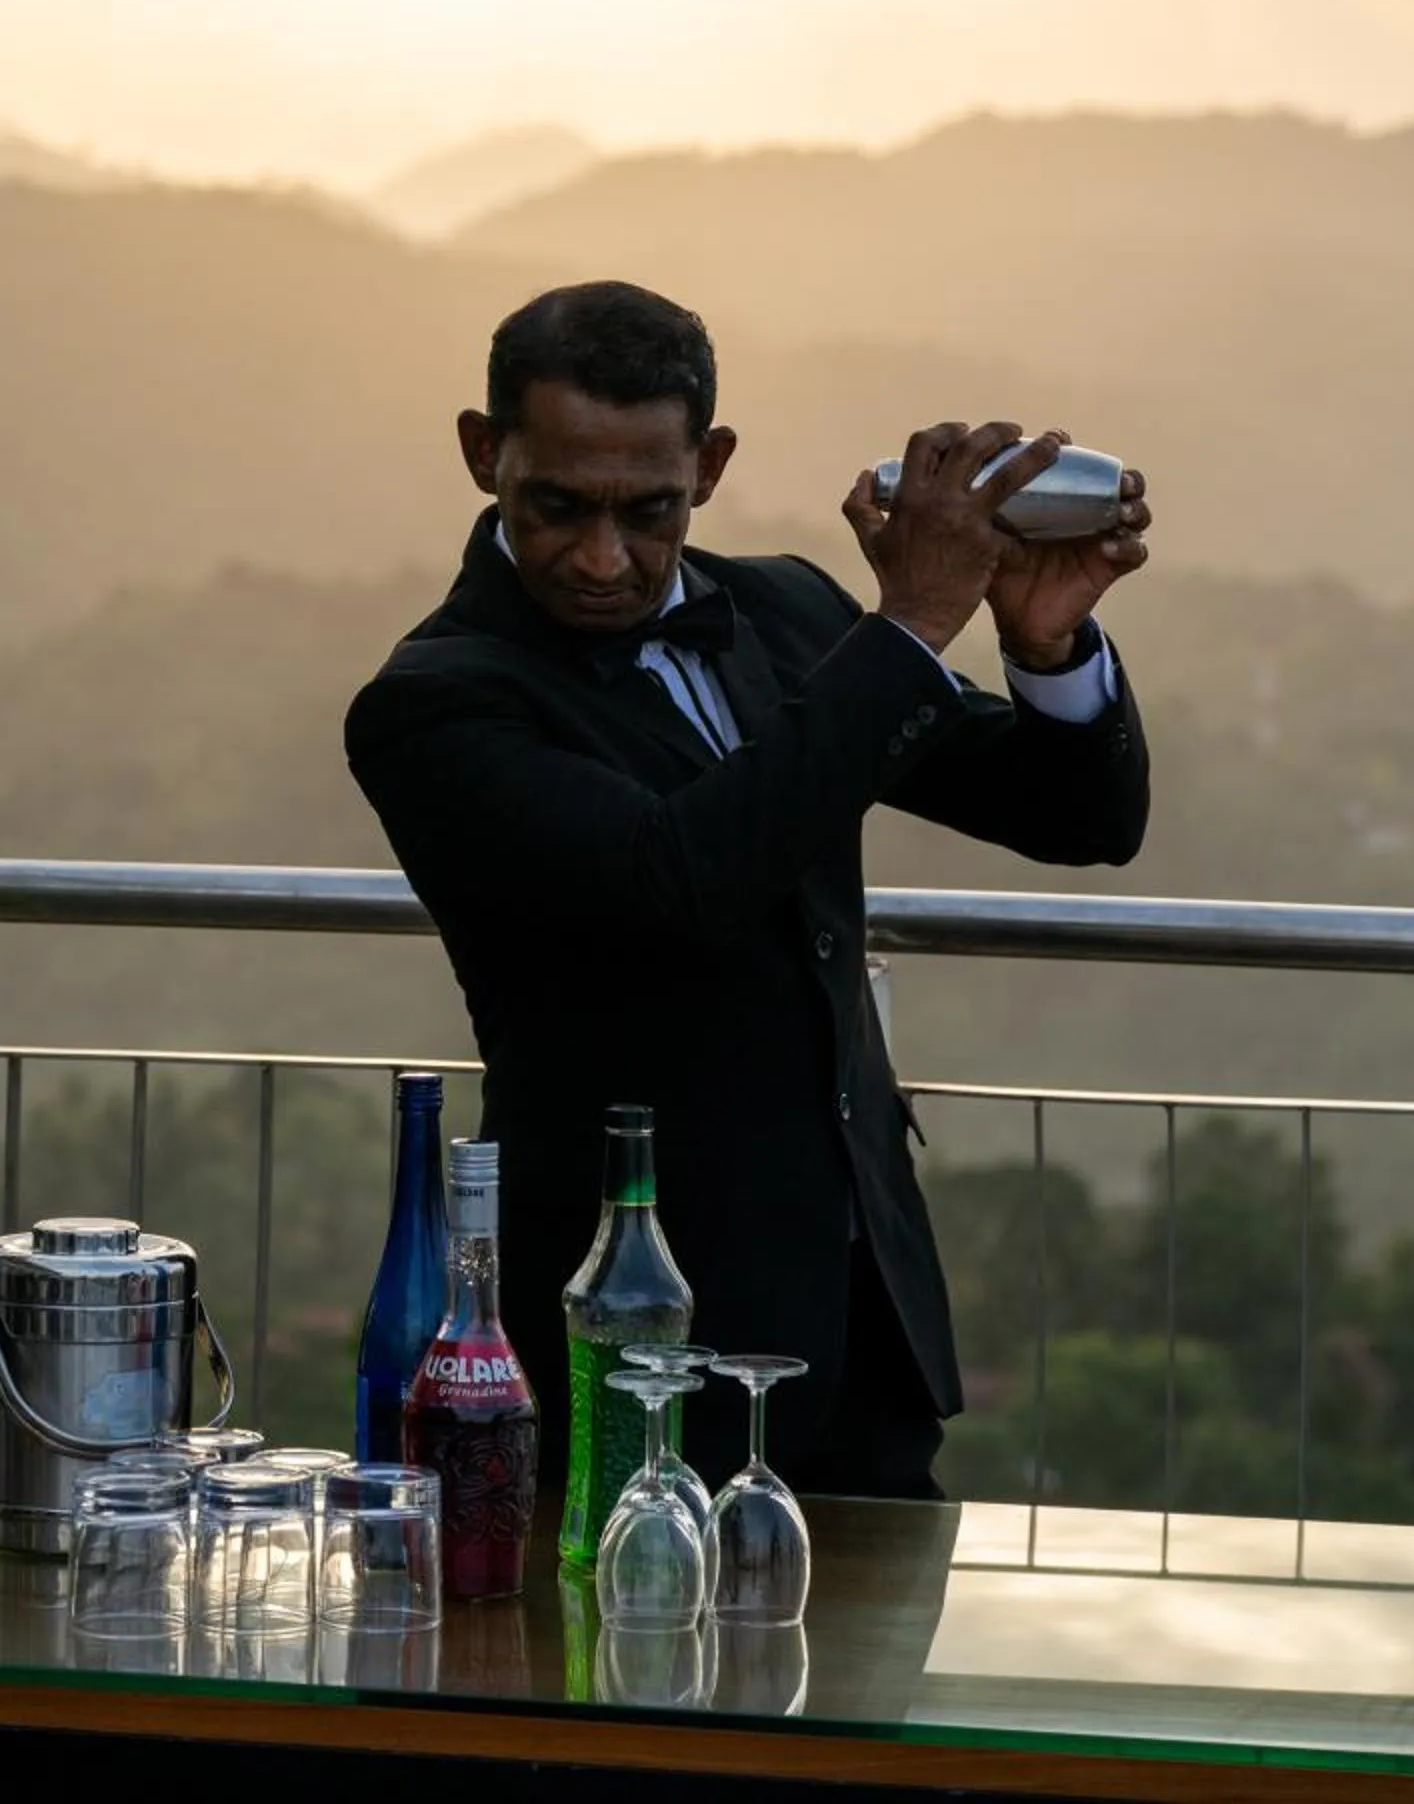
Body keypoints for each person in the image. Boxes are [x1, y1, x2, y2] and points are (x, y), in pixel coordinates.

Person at [343, 280, 1151, 1502]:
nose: (602, 557)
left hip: (858, 1332)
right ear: (480, 453)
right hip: (631, 1351)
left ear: (710, 466)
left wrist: (1043, 645)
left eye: (647, 510)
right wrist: (914, 622)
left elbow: (1073, 820)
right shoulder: (434, 702)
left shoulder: (783, 608)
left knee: (869, 1693)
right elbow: (683, 878)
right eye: (556, 506)